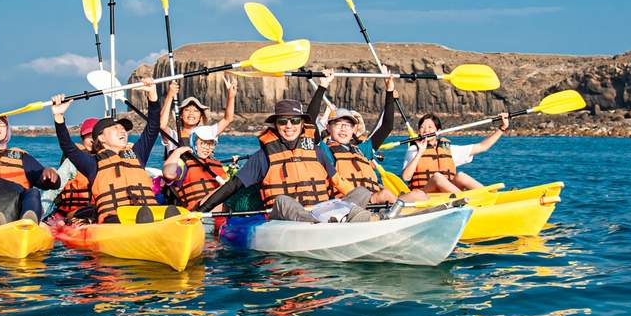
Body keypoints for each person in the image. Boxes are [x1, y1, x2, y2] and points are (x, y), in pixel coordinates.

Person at [197, 85, 397, 224]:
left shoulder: (317, 151)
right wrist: (202, 210)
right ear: (276, 125)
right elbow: (234, 185)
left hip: (321, 210)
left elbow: (339, 182)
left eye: (294, 121)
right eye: (283, 121)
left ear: (303, 124)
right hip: (289, 217)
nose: (289, 126)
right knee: (283, 201)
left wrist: (351, 202)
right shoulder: (264, 155)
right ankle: (349, 222)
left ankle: (364, 217)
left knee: (361, 192)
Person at [51, 77, 177, 224]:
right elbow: (68, 146)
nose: (122, 131)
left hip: (148, 212)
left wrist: (152, 96)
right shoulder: (92, 164)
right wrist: (58, 116)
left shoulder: (137, 154)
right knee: (137, 218)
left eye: (123, 129)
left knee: (171, 212)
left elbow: (152, 128)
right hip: (115, 220)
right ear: (101, 138)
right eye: (115, 128)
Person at [316, 74, 426, 208]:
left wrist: (389, 91)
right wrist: (322, 87)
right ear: (328, 127)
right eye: (338, 124)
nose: (343, 128)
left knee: (419, 194)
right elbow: (310, 125)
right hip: (347, 205)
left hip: (375, 202)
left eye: (348, 125)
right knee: (385, 194)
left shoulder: (363, 150)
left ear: (354, 129)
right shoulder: (324, 150)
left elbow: (387, 126)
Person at [401, 111, 509, 194]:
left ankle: (490, 196)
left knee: (461, 176)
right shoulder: (414, 150)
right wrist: (420, 152)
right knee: (437, 177)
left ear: (438, 131)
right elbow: (405, 177)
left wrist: (502, 128)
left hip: (447, 195)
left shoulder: (449, 149)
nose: (425, 130)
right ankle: (466, 199)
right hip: (424, 195)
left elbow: (482, 146)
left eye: (430, 127)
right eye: (422, 127)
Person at [161, 125, 227, 211]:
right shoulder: (183, 164)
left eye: (211, 144)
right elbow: (168, 174)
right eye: (203, 143)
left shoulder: (216, 165)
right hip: (196, 213)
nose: (207, 148)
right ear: (193, 142)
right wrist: (177, 152)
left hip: (220, 214)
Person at [45, 117, 99, 222]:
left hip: (96, 213)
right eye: (88, 137)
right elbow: (52, 191)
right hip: (71, 214)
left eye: (95, 137)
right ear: (82, 139)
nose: (92, 140)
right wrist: (39, 215)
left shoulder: (107, 160)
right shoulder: (72, 162)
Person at [159, 74, 237, 145]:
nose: (191, 113)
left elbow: (228, 119)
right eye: (187, 110)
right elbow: (162, 125)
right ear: (181, 115)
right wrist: (170, 96)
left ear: (200, 117)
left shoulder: (207, 132)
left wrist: (231, 96)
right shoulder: (173, 135)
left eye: (196, 111)